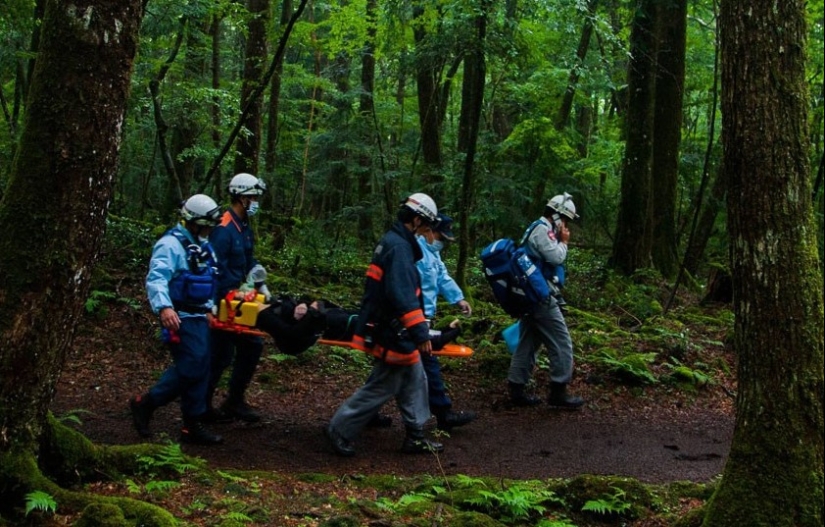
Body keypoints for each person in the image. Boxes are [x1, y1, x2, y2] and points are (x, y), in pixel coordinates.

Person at [326, 193, 445, 457]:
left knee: (415, 376)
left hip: (390, 326)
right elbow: (402, 295)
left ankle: (415, 435)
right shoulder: (399, 249)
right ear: (415, 220)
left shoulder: (394, 243)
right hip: (392, 329)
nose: (427, 233)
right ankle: (340, 428)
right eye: (426, 226)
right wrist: (420, 332)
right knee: (384, 384)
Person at [129, 194, 224, 445]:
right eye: (206, 224)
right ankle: (147, 403)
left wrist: (210, 309)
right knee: (192, 365)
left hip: (198, 315)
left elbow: (210, 280)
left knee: (202, 366)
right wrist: (164, 308)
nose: (209, 229)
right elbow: (157, 277)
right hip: (179, 316)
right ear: (194, 221)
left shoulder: (204, 247)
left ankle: (192, 423)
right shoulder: (170, 245)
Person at [507, 192, 584, 409]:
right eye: (566, 219)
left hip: (532, 296)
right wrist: (565, 242)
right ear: (558, 217)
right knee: (562, 341)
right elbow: (557, 257)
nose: (566, 224)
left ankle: (516, 389)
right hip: (540, 297)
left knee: (528, 341)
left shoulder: (538, 228)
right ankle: (558, 391)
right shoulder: (542, 230)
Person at [207, 173, 269, 423]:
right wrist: (210, 303)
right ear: (242, 197)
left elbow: (248, 260)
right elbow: (213, 268)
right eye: (253, 197)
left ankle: (234, 400)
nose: (256, 201)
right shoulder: (223, 229)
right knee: (220, 354)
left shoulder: (243, 227)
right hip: (224, 301)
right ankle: (202, 405)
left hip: (239, 299)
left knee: (252, 346)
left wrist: (260, 280)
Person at [415, 213, 477, 430]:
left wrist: (458, 299)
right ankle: (443, 413)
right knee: (426, 365)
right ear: (430, 231)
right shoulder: (415, 250)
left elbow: (442, 277)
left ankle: (366, 413)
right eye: (441, 236)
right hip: (414, 319)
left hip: (424, 318)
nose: (443, 241)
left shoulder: (434, 254)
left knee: (390, 371)